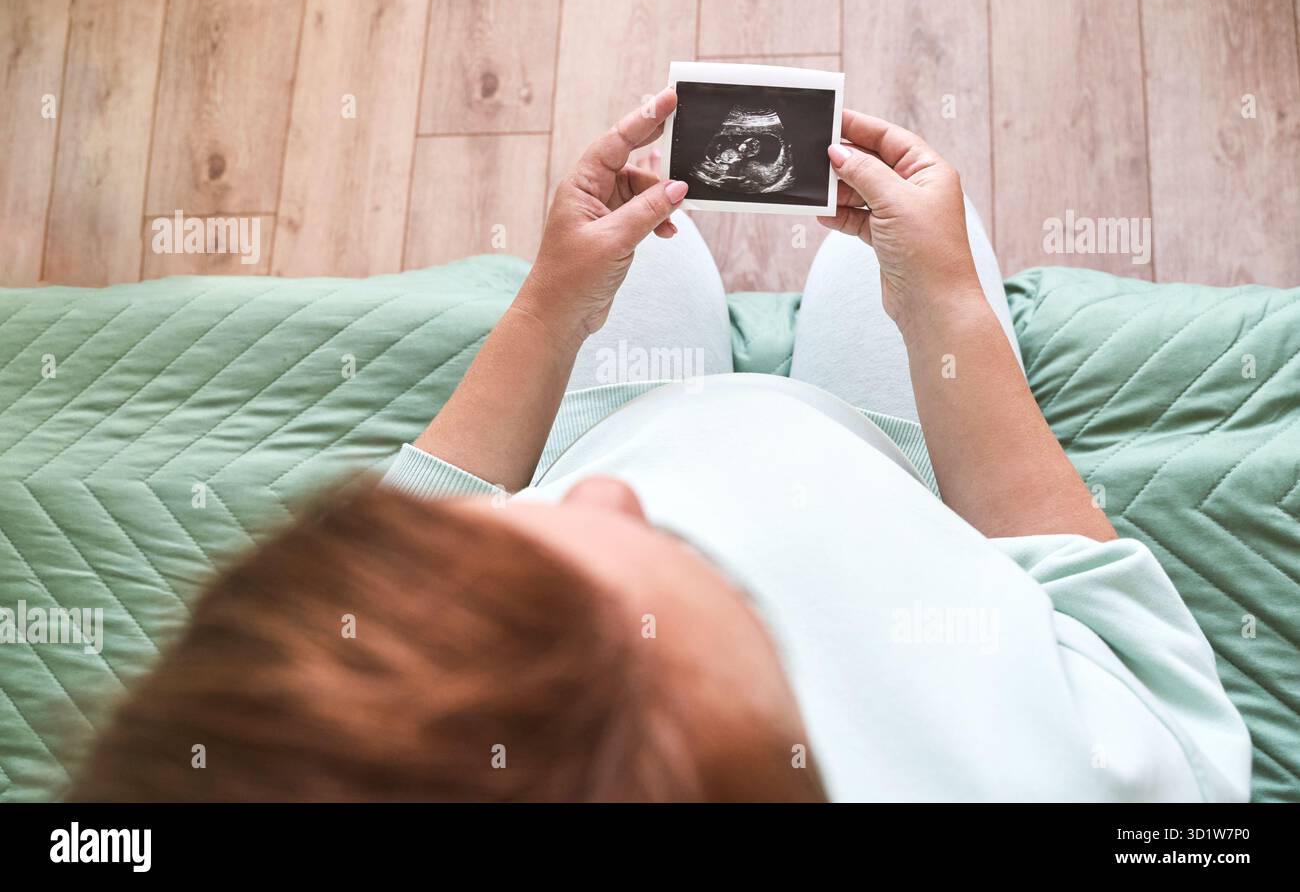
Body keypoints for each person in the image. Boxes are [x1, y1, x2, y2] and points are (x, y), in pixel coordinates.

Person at [72, 90, 1250, 802]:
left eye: (527, 547)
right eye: (695, 587)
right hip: (910, 482)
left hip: (619, 409)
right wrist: (942, 304)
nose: (603, 504)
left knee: (662, 248)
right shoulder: (1126, 793)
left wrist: (548, 308)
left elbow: (424, 525)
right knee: (872, 250)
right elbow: (1091, 596)